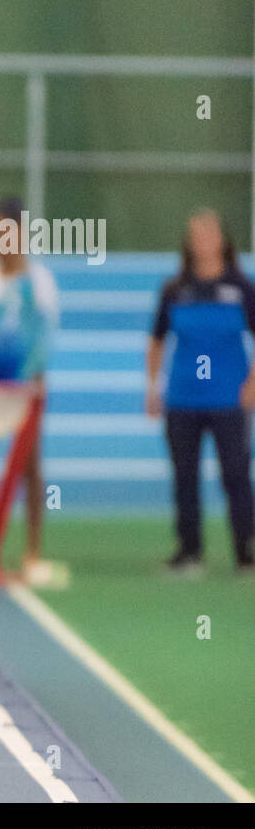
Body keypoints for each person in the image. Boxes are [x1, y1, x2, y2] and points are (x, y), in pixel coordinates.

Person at [147, 209, 255, 575]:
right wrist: (153, 386)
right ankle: (189, 550)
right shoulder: (175, 290)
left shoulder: (242, 288)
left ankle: (246, 549)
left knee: (236, 473)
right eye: (196, 236)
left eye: (210, 235)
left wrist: (252, 384)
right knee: (184, 475)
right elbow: (157, 339)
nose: (203, 243)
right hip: (183, 398)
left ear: (223, 241)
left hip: (228, 398)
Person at [0, 197, 59, 578]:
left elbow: (46, 335)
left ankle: (33, 549)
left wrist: (34, 379)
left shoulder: (39, 281)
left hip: (27, 384)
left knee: (29, 466)